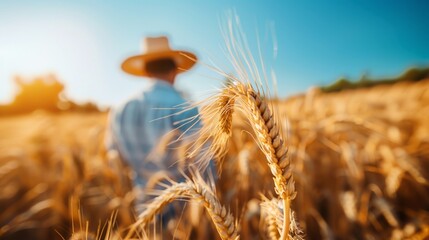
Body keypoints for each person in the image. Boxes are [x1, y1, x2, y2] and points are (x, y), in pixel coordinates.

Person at [106, 36, 202, 211]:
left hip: (142, 208)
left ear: (146, 72)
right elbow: (203, 164)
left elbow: (115, 161)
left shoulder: (120, 109)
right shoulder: (185, 107)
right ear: (174, 71)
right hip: (184, 211)